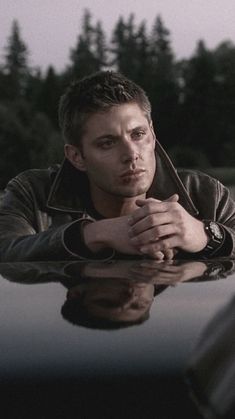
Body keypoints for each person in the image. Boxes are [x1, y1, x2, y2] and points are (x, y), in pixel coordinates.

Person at [0, 70, 235, 262]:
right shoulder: (32, 193)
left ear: (152, 135)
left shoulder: (206, 194)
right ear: (76, 156)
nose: (131, 154)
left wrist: (205, 234)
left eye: (138, 134)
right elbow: (6, 248)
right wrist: (92, 235)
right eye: (107, 143)